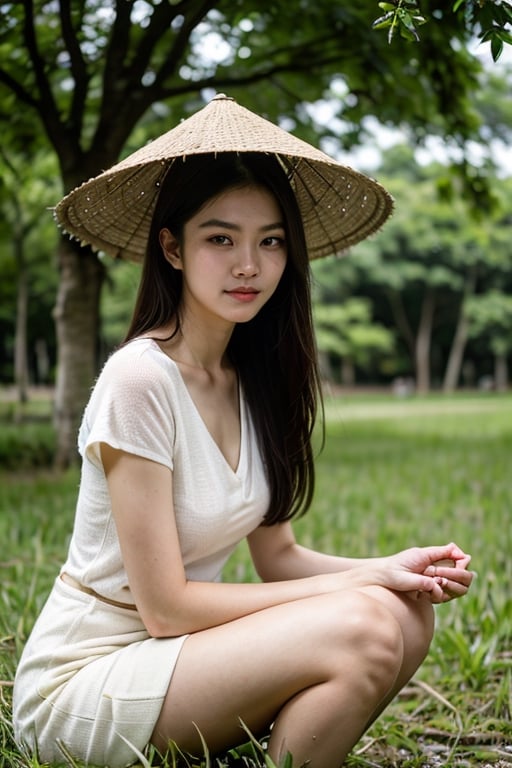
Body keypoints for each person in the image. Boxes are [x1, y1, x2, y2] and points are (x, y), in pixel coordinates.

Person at [12, 94, 474, 768]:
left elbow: (277, 556)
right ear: (172, 247)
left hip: (174, 659)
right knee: (366, 622)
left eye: (271, 240)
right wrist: (362, 581)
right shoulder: (140, 380)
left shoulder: (253, 378)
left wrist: (391, 571)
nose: (249, 265)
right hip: (86, 680)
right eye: (221, 238)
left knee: (405, 614)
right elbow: (167, 608)